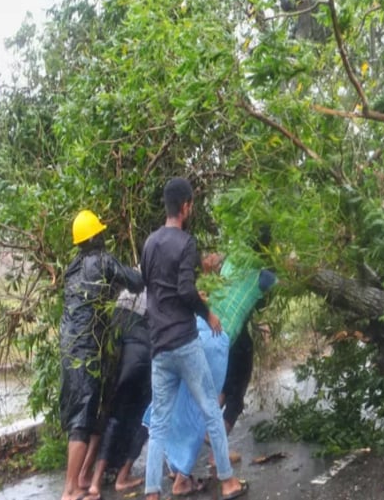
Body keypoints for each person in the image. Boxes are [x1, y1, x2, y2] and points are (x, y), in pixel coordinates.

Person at [141, 177, 247, 500]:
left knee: (159, 423)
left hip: (159, 346)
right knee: (211, 411)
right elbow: (185, 290)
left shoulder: (148, 244)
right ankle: (228, 482)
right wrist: (207, 314)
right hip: (185, 342)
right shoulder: (186, 243)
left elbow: (157, 290)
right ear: (185, 206)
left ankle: (151, 492)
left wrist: (186, 296)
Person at [164, 226, 276, 494]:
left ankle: (179, 473)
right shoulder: (264, 276)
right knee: (208, 409)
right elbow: (283, 280)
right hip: (217, 338)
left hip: (198, 327)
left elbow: (220, 259)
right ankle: (204, 479)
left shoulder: (231, 260)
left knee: (191, 403)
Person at [60, 209, 143, 500]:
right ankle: (70, 490)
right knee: (82, 421)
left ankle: (80, 480)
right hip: (88, 351)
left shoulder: (71, 267)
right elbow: (135, 282)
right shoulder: (104, 261)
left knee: (84, 415)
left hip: (70, 348)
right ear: (96, 237)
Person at [86, 289, 152, 497]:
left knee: (114, 413)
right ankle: (123, 477)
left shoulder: (134, 276)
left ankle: (94, 481)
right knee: (146, 415)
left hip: (119, 340)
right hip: (141, 345)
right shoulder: (166, 275)